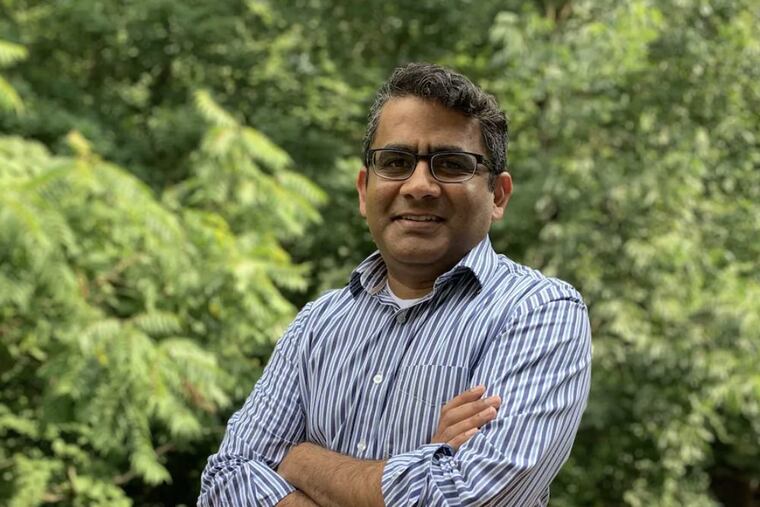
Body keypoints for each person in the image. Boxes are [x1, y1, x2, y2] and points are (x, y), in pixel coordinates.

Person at [198, 62, 591, 506]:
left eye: (451, 165)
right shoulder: (317, 325)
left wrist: (303, 462)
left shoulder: (538, 312)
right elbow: (223, 482)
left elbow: (467, 497)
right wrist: (425, 463)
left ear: (497, 195)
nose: (419, 185)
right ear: (364, 190)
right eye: (396, 162)